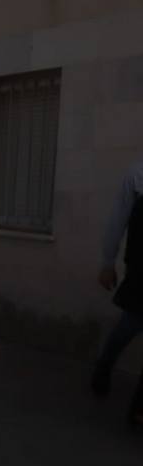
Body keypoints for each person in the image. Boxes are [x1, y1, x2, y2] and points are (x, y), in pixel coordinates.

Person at [92, 158, 143, 425]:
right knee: (130, 324)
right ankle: (104, 364)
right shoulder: (137, 173)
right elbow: (118, 219)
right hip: (142, 269)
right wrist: (108, 262)